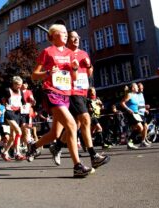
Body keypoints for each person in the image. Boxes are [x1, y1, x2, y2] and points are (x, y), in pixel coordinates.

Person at [29, 24, 92, 178]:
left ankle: (34, 146)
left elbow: (74, 78)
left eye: (65, 32)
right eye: (62, 32)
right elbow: (34, 75)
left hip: (66, 94)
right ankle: (77, 165)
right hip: (52, 92)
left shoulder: (71, 54)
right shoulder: (47, 52)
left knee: (55, 133)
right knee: (71, 125)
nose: (65, 34)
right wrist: (48, 72)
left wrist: (75, 69)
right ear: (53, 35)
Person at [48, 31, 110, 168]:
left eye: (78, 37)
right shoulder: (64, 54)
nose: (77, 39)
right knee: (86, 119)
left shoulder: (83, 53)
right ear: (67, 40)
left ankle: (57, 146)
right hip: (71, 91)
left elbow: (89, 73)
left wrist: (88, 65)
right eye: (73, 37)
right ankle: (93, 155)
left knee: (77, 124)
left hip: (83, 91)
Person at [0, 76, 26, 161]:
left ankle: (5, 152)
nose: (19, 86)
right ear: (13, 84)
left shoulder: (21, 92)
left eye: (20, 85)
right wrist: (5, 105)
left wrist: (31, 103)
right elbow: (2, 99)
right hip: (9, 113)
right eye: (18, 85)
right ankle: (17, 153)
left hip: (17, 114)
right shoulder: (8, 90)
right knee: (19, 131)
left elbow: (23, 102)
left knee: (12, 137)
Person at [120, 83, 149, 149]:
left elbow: (137, 106)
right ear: (133, 88)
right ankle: (130, 142)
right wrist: (128, 109)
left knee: (139, 128)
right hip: (131, 114)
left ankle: (130, 142)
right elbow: (122, 102)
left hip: (136, 113)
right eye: (136, 87)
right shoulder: (129, 95)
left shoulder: (136, 95)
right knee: (140, 127)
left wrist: (144, 107)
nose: (138, 88)